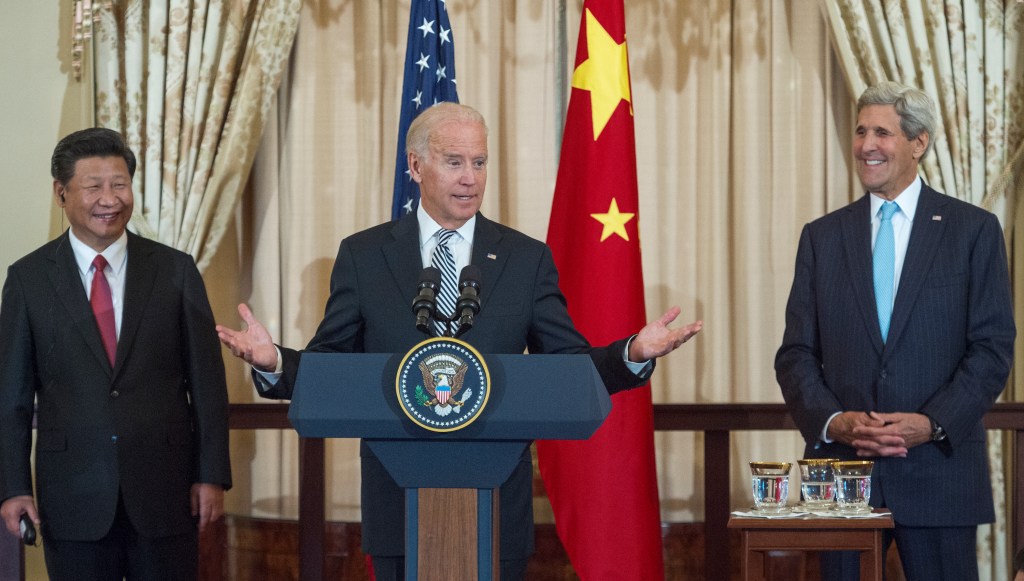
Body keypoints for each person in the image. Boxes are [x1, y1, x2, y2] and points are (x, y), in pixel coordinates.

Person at [217, 102, 703, 580]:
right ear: (415, 165)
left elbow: (568, 371)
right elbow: (331, 368)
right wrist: (274, 361)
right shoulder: (364, 256)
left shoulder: (525, 258)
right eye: (454, 162)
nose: (470, 177)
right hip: (396, 500)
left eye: (479, 162)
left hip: (496, 504)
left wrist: (631, 353)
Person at [775, 81, 1015, 580]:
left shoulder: (972, 231)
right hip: (841, 477)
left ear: (918, 143)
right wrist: (833, 420)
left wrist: (931, 424)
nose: (866, 145)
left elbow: (991, 348)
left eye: (882, 132)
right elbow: (796, 352)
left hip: (939, 473)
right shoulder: (822, 237)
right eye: (861, 131)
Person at [0, 128, 232, 580]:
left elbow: (206, 384)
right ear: (61, 193)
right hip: (72, 493)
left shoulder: (175, 270)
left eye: (120, 184)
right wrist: (12, 487)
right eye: (94, 186)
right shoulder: (27, 280)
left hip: (165, 491)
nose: (110, 198)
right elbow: (9, 397)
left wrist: (210, 474)